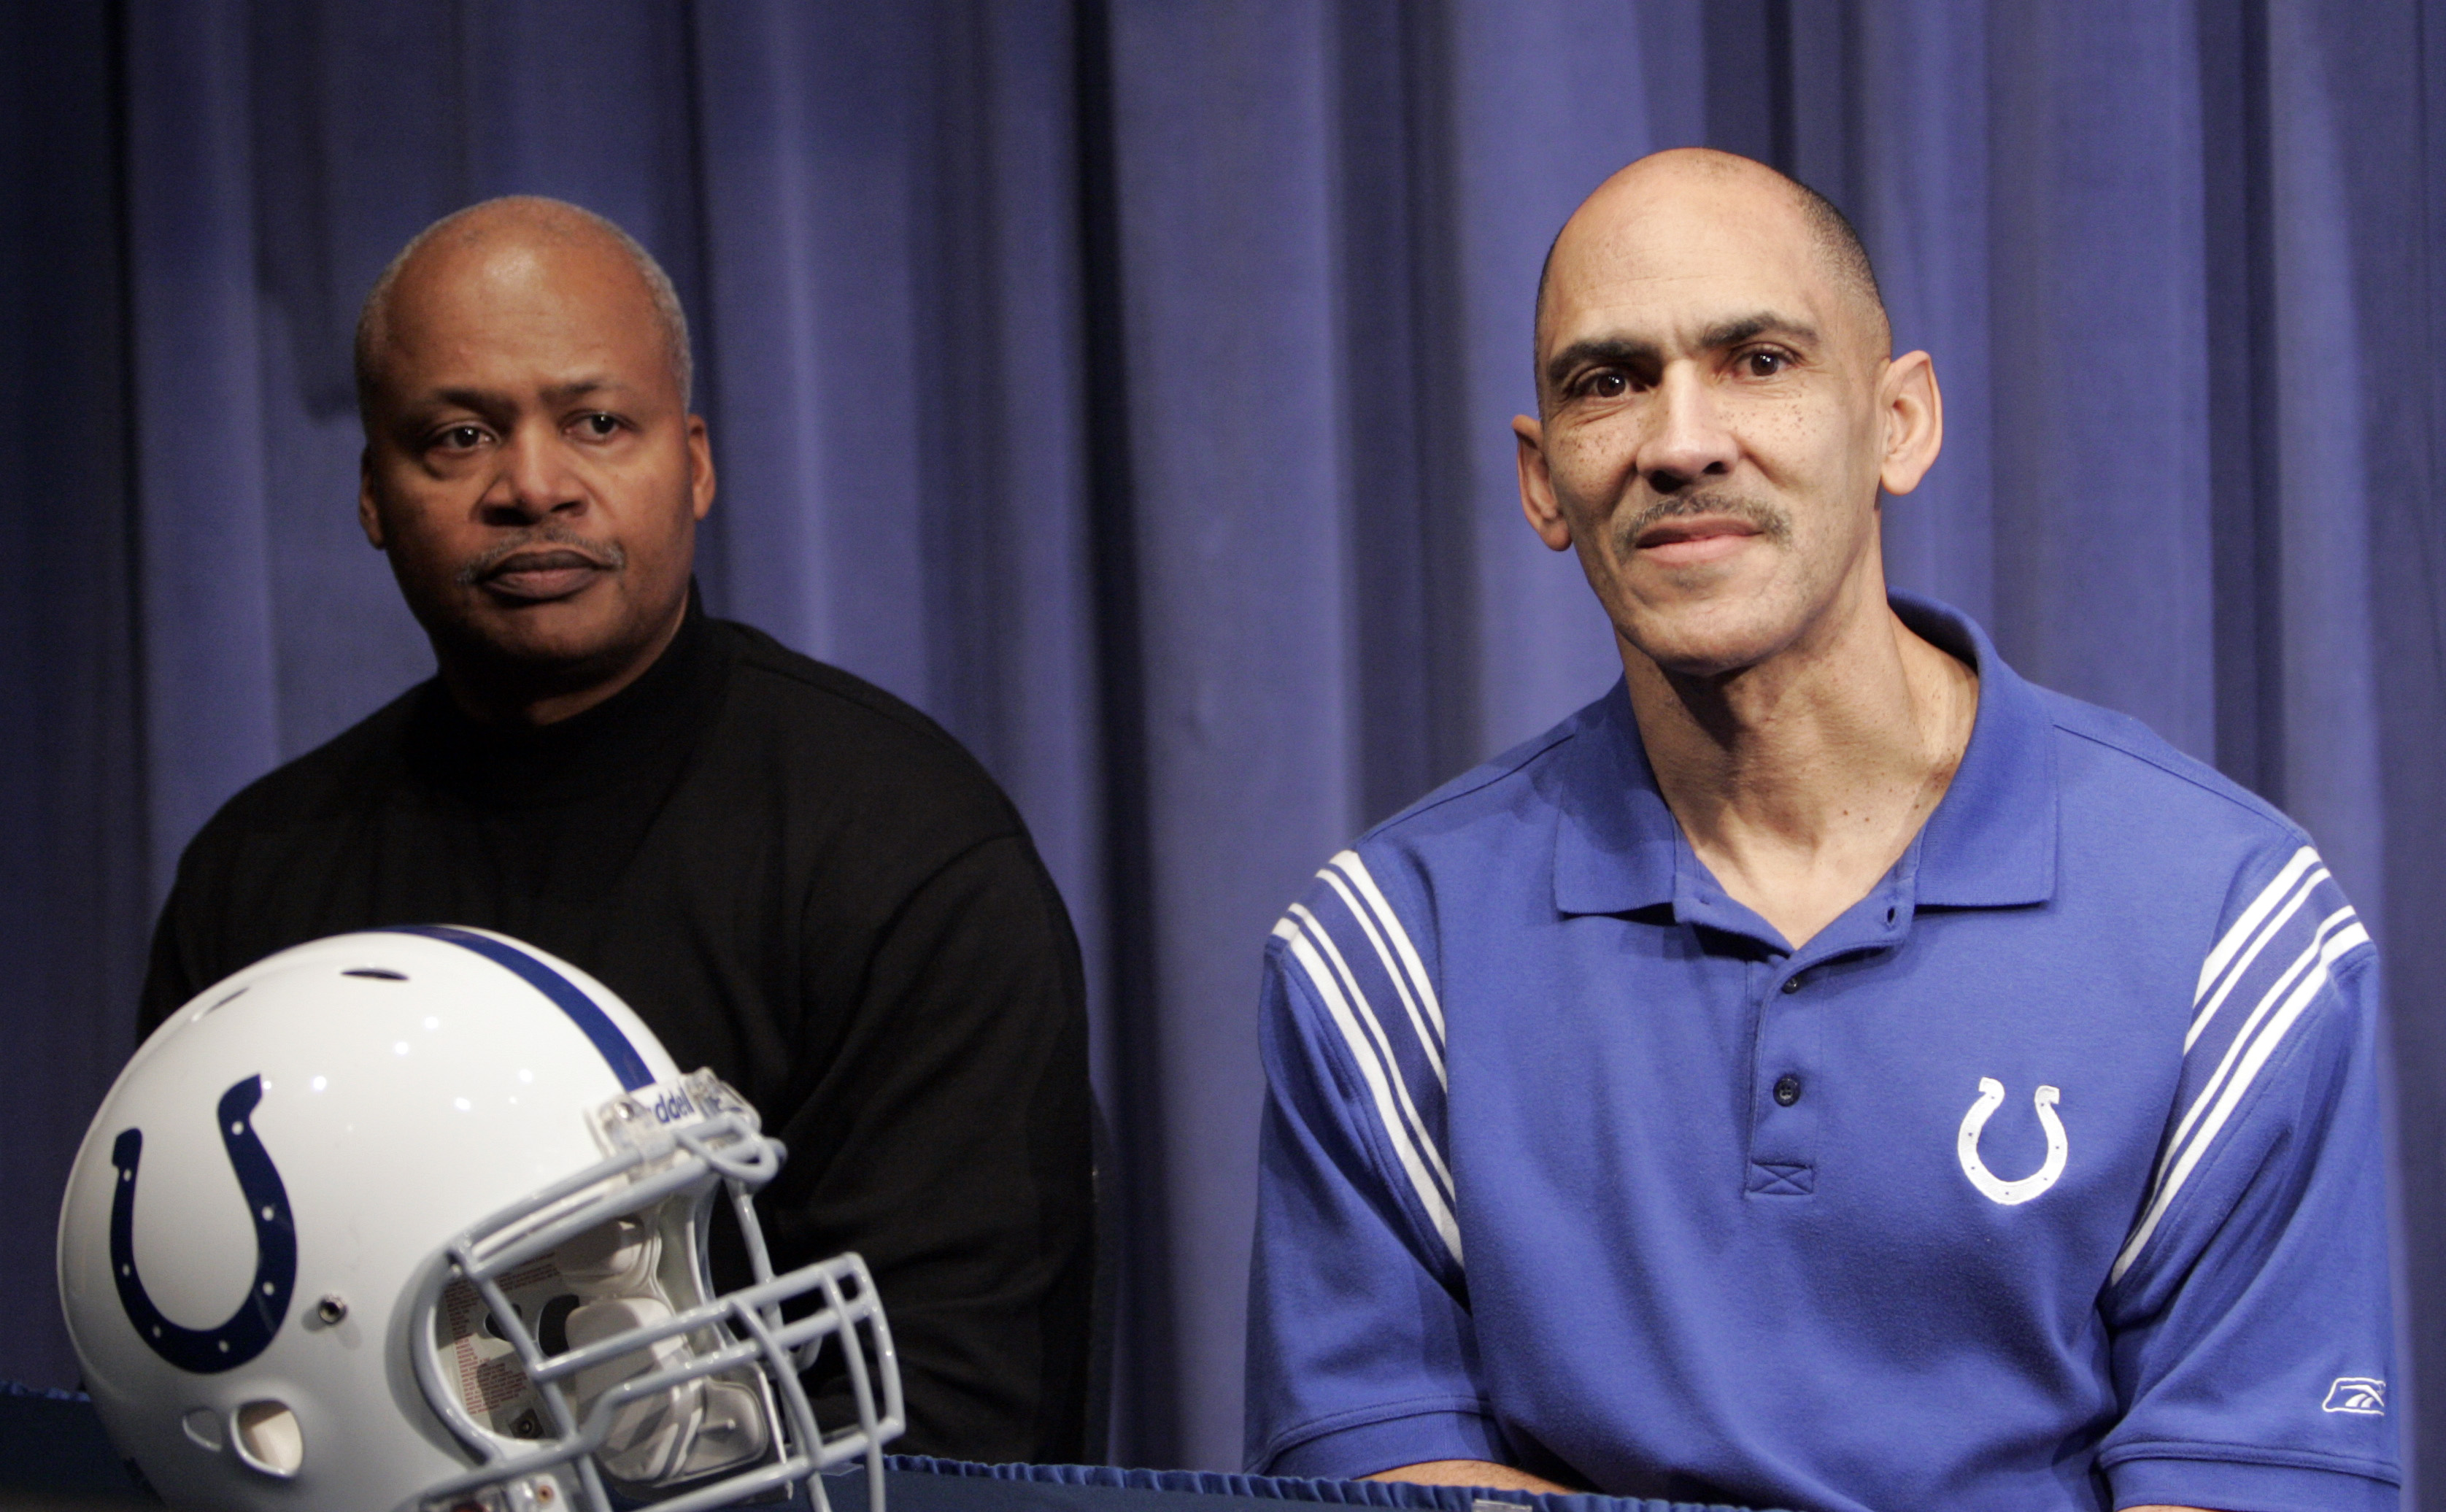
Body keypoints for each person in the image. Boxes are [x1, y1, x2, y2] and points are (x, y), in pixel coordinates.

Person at [1243, 149, 2396, 1512]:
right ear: (1543, 478)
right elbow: (1374, 1474)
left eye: (1759, 360)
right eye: (1607, 382)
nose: (1678, 441)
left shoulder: (2232, 928)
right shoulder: (1386, 951)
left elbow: (2252, 1480)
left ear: (1899, 422)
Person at [139, 196, 1095, 1464]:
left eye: (596, 423)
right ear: (373, 493)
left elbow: (964, 1421)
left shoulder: (904, 850)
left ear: (693, 462)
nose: (532, 485)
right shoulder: (254, 883)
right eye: (460, 435)